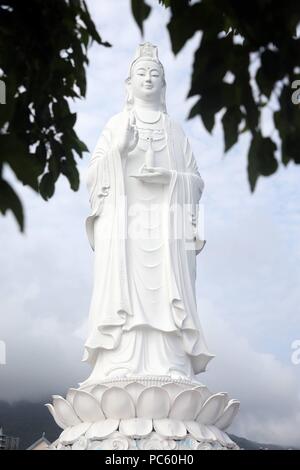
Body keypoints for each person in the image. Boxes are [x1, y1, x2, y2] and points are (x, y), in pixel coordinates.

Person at [81, 43, 214, 387]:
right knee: (124, 289)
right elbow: (92, 177)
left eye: (155, 74)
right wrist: (119, 151)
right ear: (129, 84)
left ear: (165, 86)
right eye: (141, 73)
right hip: (126, 226)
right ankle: (118, 360)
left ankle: (172, 362)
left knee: (167, 291)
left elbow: (196, 182)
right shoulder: (116, 124)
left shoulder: (175, 130)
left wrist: (170, 178)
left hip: (166, 227)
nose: (148, 78)